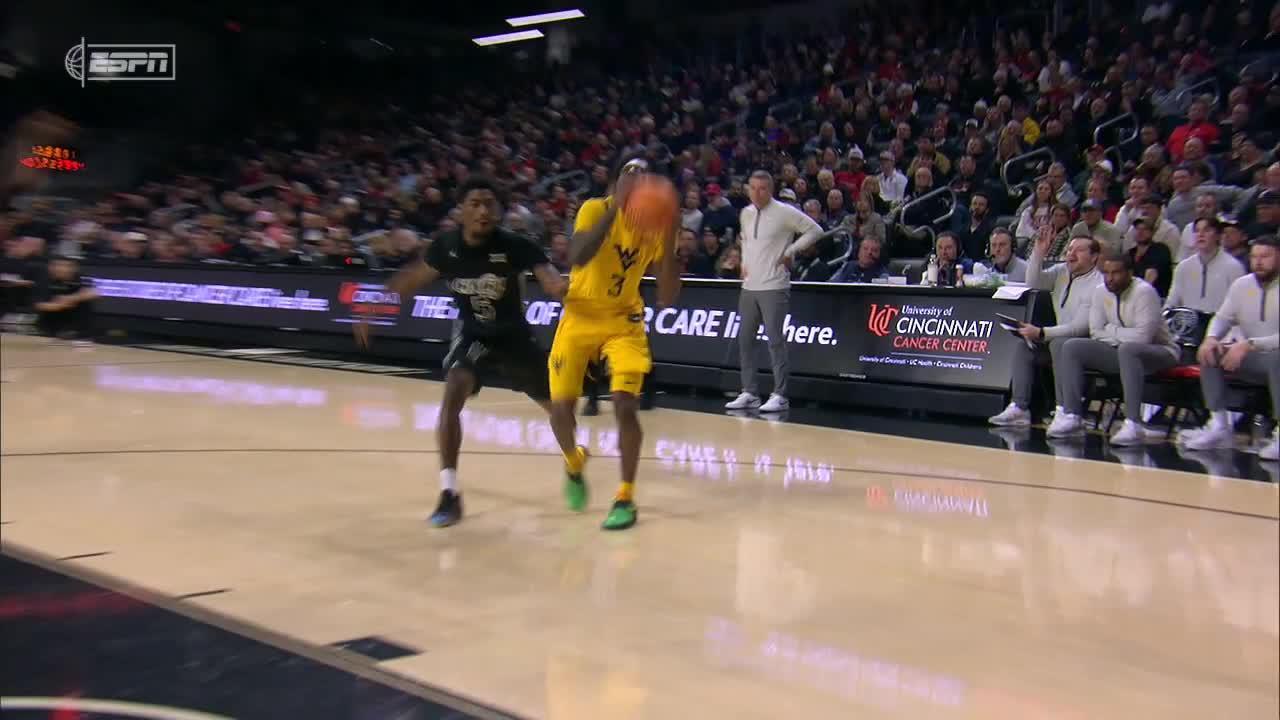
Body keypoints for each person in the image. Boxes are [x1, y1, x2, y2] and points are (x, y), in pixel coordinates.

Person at [354, 176, 569, 528]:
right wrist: (374, 307)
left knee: (558, 409)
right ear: (461, 210)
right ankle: (449, 493)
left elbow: (549, 278)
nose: (483, 210)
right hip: (474, 335)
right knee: (453, 392)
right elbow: (410, 279)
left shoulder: (517, 245)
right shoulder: (447, 247)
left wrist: (561, 288)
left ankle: (573, 458)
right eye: (475, 203)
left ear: (499, 211)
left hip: (514, 338)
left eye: (489, 204)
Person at [546, 155, 681, 531]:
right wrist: (616, 208)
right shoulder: (595, 208)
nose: (637, 180)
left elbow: (667, 296)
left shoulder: (654, 225)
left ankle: (625, 496)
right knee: (560, 410)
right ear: (616, 182)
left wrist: (671, 236)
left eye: (643, 175)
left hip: (624, 321)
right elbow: (576, 256)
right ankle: (574, 461)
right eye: (629, 173)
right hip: (579, 315)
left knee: (624, 404)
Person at [1048, 252, 1181, 444]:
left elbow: (1143, 338)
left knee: (1129, 349)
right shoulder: (1100, 291)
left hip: (1160, 352)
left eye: (1116, 273)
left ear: (1129, 273)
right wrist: (1117, 334)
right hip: (1120, 351)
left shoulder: (1144, 292)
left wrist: (1111, 329)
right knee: (1070, 347)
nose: (1110, 278)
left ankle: (1133, 423)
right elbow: (1095, 331)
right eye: (1106, 273)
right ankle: (1072, 416)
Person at [725, 170, 823, 413]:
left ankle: (780, 394)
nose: (757, 193)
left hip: (774, 286)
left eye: (762, 189)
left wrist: (790, 251)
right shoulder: (745, 213)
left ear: (770, 190)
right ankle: (749, 392)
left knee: (775, 341)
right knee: (745, 341)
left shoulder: (784, 212)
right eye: (753, 188)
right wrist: (744, 264)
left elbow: (815, 231)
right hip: (749, 286)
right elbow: (746, 241)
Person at [1178, 235, 1279, 459]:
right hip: (1255, 359)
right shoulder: (1242, 285)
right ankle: (1219, 426)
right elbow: (1222, 317)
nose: (1258, 262)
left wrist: (1249, 345)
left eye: (1265, 256)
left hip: (1273, 358)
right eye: (1254, 257)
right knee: (1210, 352)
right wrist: (1211, 338)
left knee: (1276, 360)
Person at [989, 229, 1102, 427]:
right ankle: (1019, 408)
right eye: (1069, 249)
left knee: (1058, 344)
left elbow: (1081, 327)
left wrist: (1042, 333)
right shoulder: (1061, 271)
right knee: (1025, 346)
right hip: (1059, 339)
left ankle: (1064, 410)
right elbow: (1033, 283)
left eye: (1079, 250)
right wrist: (1039, 252)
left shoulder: (1099, 283)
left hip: (1088, 344)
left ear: (1094, 257)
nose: (1071, 254)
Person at [1164, 217, 1245, 312]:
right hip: (1189, 319)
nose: (1200, 234)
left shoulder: (1234, 267)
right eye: (1197, 231)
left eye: (1207, 230)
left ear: (1218, 236)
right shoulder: (1183, 267)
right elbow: (1172, 302)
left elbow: (1239, 305)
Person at [33, 255, 97, 339]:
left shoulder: (82, 278)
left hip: (77, 330)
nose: (60, 268)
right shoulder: (43, 280)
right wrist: (57, 305)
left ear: (74, 268)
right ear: (50, 267)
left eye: (66, 266)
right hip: (48, 329)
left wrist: (72, 298)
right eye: (56, 265)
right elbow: (38, 304)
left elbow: (93, 292)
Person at [1128, 217, 1174, 297]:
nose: (1140, 232)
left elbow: (1151, 276)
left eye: (1145, 229)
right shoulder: (1130, 253)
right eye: (1137, 229)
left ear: (1152, 232)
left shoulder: (1160, 249)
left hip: (1156, 296)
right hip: (1133, 296)